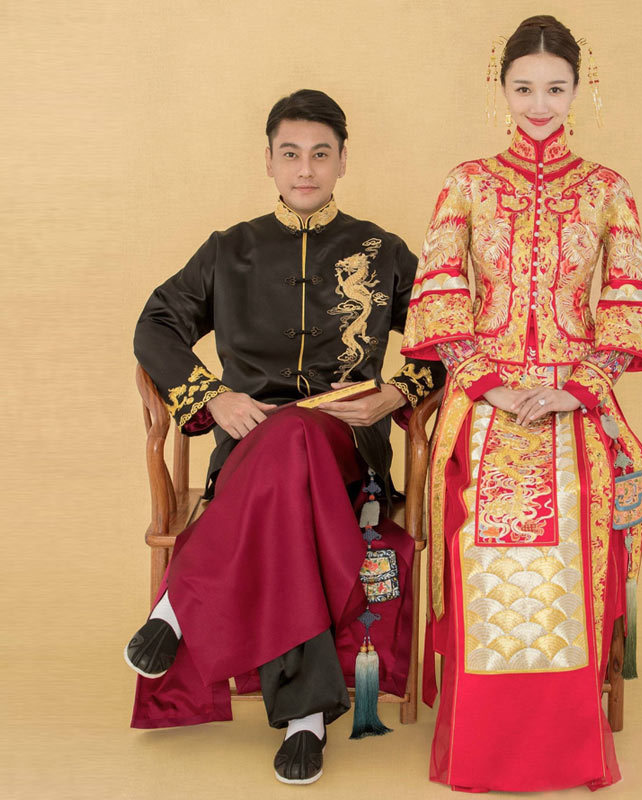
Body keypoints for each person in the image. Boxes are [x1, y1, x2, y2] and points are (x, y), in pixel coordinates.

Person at [125, 89, 444, 786]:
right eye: (291, 153)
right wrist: (213, 396)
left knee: (298, 430)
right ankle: (305, 719)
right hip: (249, 446)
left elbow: (449, 337)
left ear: (342, 162)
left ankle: (181, 603)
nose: (305, 169)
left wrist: (396, 392)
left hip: (345, 445)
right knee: (284, 478)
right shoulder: (228, 250)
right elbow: (156, 325)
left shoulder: (382, 251)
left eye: (320, 154)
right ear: (268, 161)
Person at [401, 16, 642, 792]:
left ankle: (564, 742)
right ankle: (482, 743)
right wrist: (492, 384)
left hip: (573, 399)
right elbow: (440, 297)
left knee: (580, 516)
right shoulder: (467, 183)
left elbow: (626, 306)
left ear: (580, 89)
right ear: (502, 89)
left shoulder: (608, 190)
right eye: (524, 88)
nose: (539, 104)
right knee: (480, 532)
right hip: (485, 396)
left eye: (554, 88)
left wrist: (573, 389)